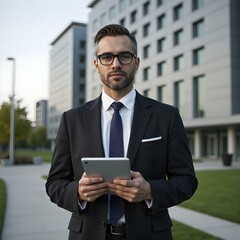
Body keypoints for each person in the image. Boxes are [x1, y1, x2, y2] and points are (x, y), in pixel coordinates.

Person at [46, 24, 198, 240]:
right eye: (106, 57)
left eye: (124, 56)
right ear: (96, 64)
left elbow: (187, 180)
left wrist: (150, 191)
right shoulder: (72, 119)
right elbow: (54, 183)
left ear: (136, 62)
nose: (116, 64)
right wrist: (78, 192)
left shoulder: (166, 116)